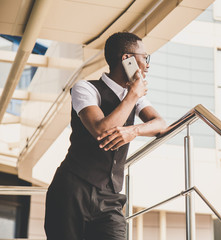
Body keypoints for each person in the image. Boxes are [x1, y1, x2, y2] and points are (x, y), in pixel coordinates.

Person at [44, 32, 166, 240]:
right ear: (126, 59)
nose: (147, 65)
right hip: (72, 191)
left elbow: (161, 124)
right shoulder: (85, 88)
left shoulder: (135, 97)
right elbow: (101, 130)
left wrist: (133, 130)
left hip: (110, 198)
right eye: (144, 57)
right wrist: (133, 95)